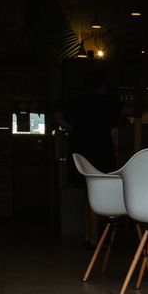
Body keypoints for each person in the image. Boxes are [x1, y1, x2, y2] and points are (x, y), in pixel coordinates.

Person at [55, 68, 123, 242]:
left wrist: (73, 129)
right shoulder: (107, 102)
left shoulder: (78, 101)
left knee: (88, 196)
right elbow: (133, 111)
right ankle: (93, 239)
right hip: (101, 151)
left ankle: (88, 237)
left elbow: (57, 115)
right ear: (103, 85)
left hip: (81, 151)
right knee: (96, 196)